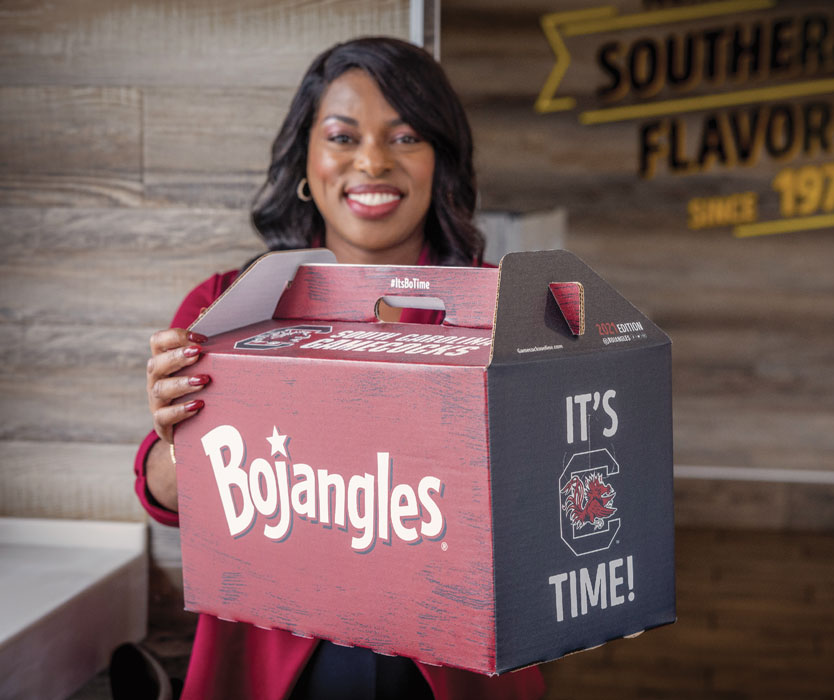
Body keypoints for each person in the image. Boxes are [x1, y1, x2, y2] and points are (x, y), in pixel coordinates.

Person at [134, 37, 546, 700]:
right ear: (308, 158)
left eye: (405, 136)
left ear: (440, 160)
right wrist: (181, 440)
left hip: (451, 664)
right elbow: (163, 502)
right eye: (343, 137)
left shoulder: (506, 311)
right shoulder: (229, 306)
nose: (373, 162)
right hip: (270, 660)